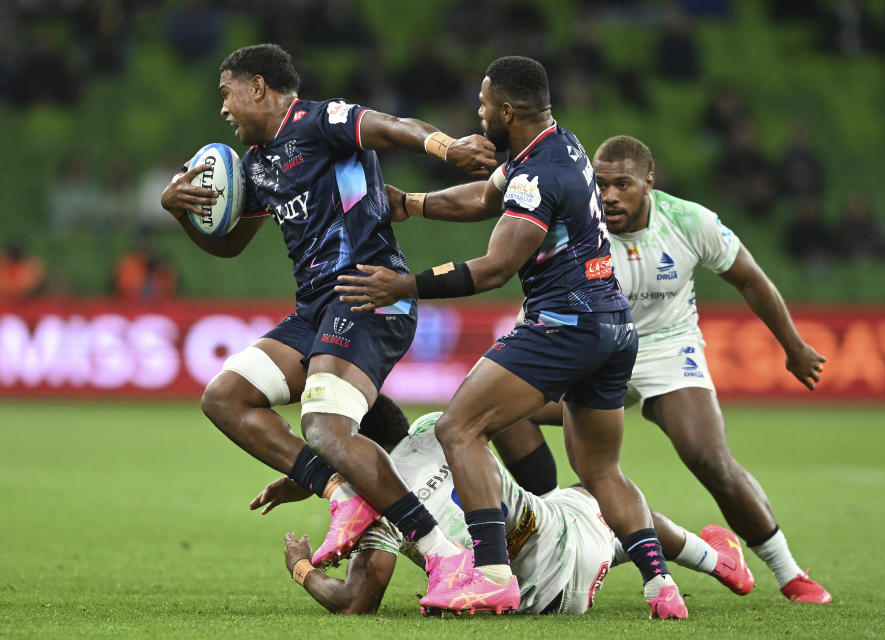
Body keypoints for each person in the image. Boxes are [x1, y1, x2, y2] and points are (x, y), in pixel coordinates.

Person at [334, 56, 687, 619]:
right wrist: (414, 205)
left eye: (482, 104)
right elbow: (484, 198)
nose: (477, 112)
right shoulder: (559, 145)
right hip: (613, 327)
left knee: (458, 428)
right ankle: (660, 587)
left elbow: (497, 267)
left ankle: (492, 576)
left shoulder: (538, 173)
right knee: (600, 472)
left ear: (505, 110)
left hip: (564, 324)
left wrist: (404, 285)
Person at [159, 43, 498, 594]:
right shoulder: (257, 167)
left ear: (258, 87)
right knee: (224, 397)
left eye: (226, 94)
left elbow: (392, 125)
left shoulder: (320, 122)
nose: (223, 109)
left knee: (324, 426)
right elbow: (230, 247)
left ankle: (444, 557)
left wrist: (445, 145)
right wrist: (184, 216)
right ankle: (340, 492)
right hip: (316, 307)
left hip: (369, 289)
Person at [499, 135, 832, 603]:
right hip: (593, 349)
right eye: (601, 184)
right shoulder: (574, 225)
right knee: (503, 410)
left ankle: (788, 571)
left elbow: (749, 278)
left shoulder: (690, 221)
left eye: (623, 185)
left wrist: (793, 346)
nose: (609, 195)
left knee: (708, 457)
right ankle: (567, 521)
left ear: (648, 183)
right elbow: (538, 306)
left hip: (666, 350)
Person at [253, 395, 753, 615]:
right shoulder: (435, 427)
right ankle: (718, 561)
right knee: (596, 496)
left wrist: (301, 567)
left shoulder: (375, 506)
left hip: (540, 605)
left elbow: (357, 601)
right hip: (576, 544)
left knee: (577, 505)